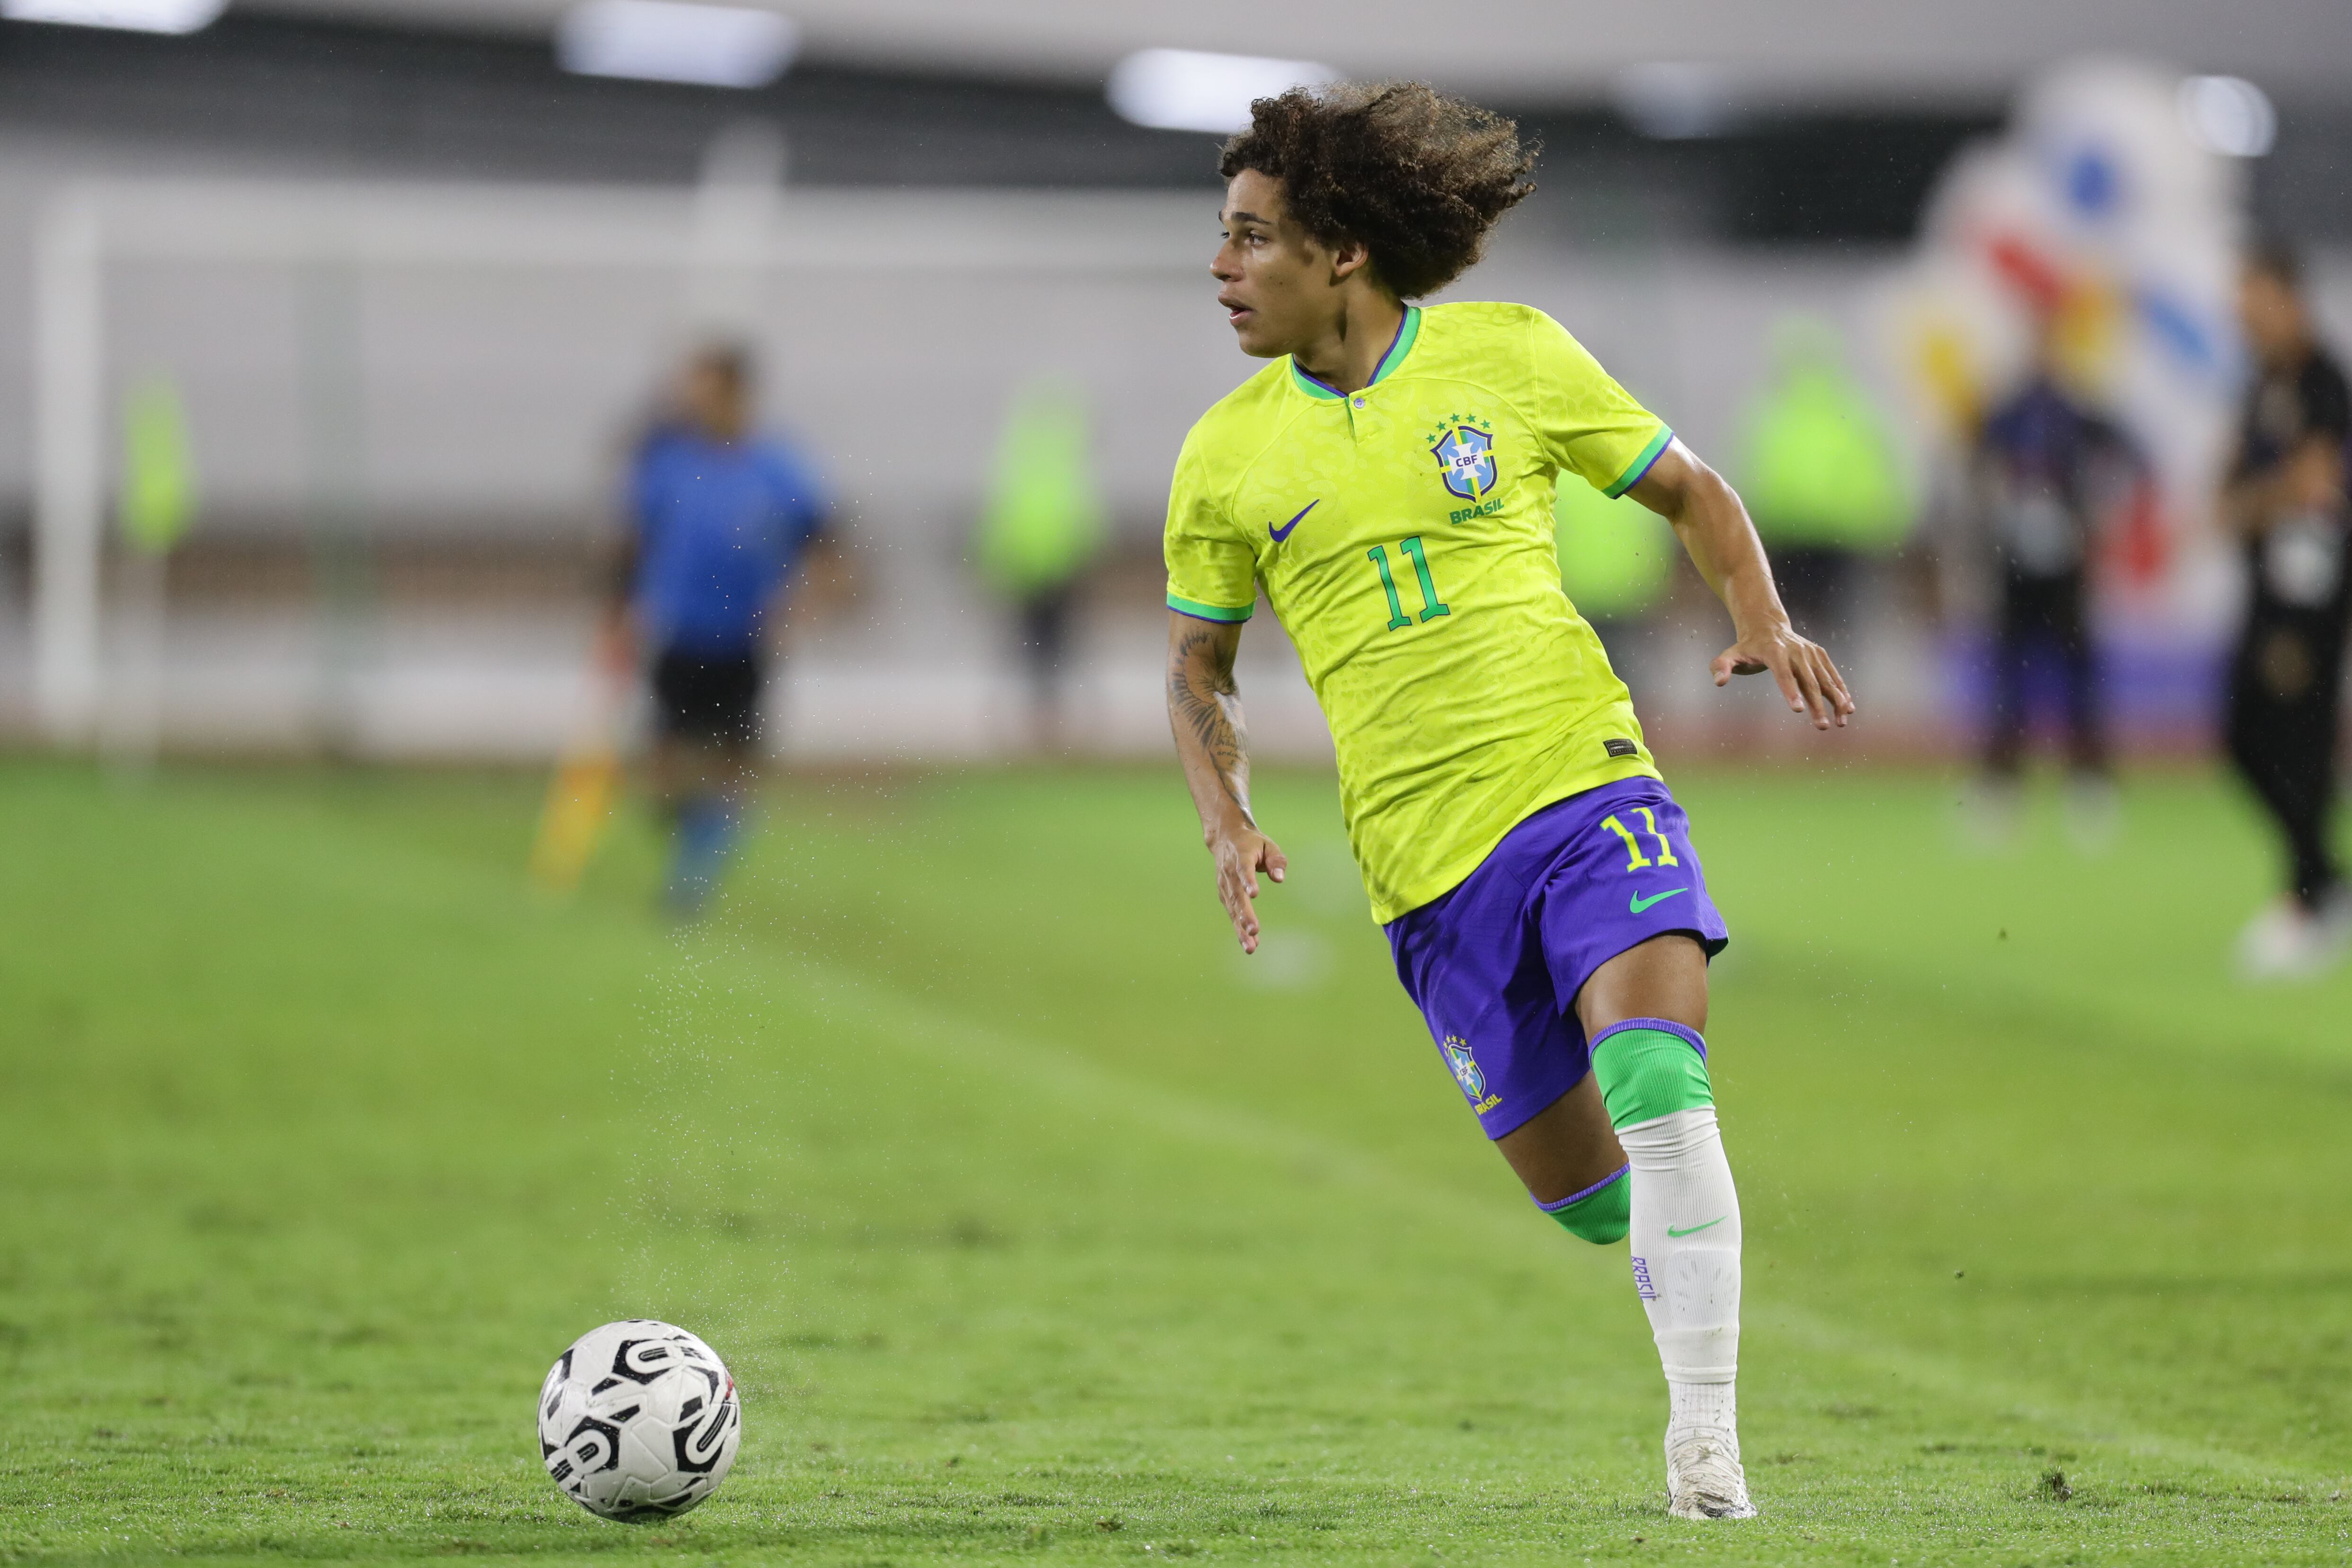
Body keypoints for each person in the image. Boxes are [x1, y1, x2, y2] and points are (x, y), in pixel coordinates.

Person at [1161, 83, 1850, 1522]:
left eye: (1250, 240)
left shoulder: (1511, 357)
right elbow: (1198, 668)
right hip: (1424, 871)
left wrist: (1763, 614)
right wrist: (1225, 817)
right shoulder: (1225, 456)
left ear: (1341, 249)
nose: (1221, 270)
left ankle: (1706, 1449)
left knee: (1662, 1084)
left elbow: (1694, 490)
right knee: (1597, 1203)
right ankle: (1675, 1231)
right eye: (1222, 240)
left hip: (1580, 775)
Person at [604, 344, 834, 916]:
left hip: (744, 638)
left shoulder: (777, 467)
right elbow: (632, 536)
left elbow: (826, 542)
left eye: (702, 387)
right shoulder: (669, 460)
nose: (690, 399)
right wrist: (617, 610)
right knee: (665, 772)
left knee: (734, 763)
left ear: (736, 391)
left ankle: (691, 882)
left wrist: (807, 600)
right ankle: (691, 830)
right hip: (680, 632)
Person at [2220, 242, 2352, 978]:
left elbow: (2309, 485)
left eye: (2253, 303)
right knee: (2243, 737)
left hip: (2311, 593)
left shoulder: (2322, 382)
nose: (2243, 319)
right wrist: (2252, 501)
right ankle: (2320, 878)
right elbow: (2226, 496)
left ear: (2289, 299)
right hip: (2267, 585)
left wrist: (2252, 502)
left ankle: (2310, 894)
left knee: (2295, 741)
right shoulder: (2261, 385)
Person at [1969, 327, 2143, 846]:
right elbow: (1976, 460)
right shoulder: (2010, 412)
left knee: (2077, 674)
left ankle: (2088, 785)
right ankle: (2001, 786)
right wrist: (1996, 511)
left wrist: (2096, 513)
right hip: (2017, 560)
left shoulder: (2078, 414)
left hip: (2066, 559)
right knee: (2010, 674)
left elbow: (2128, 458)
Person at [1733, 317, 1910, 646]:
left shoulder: (1769, 415)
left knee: (1781, 629)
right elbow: (1881, 477)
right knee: (1840, 632)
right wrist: (1885, 530)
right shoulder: (1857, 412)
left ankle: (1792, 692)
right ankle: (1839, 690)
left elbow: (1751, 478)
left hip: (1786, 536)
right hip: (1842, 540)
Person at [975, 378, 1108, 753]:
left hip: (1024, 573)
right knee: (1060, 653)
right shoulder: (1068, 467)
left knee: (1030, 652)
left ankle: (1031, 727)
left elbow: (999, 518)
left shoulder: (1020, 461)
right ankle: (1057, 728)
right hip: (1061, 575)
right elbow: (1087, 522)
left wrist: (993, 564)